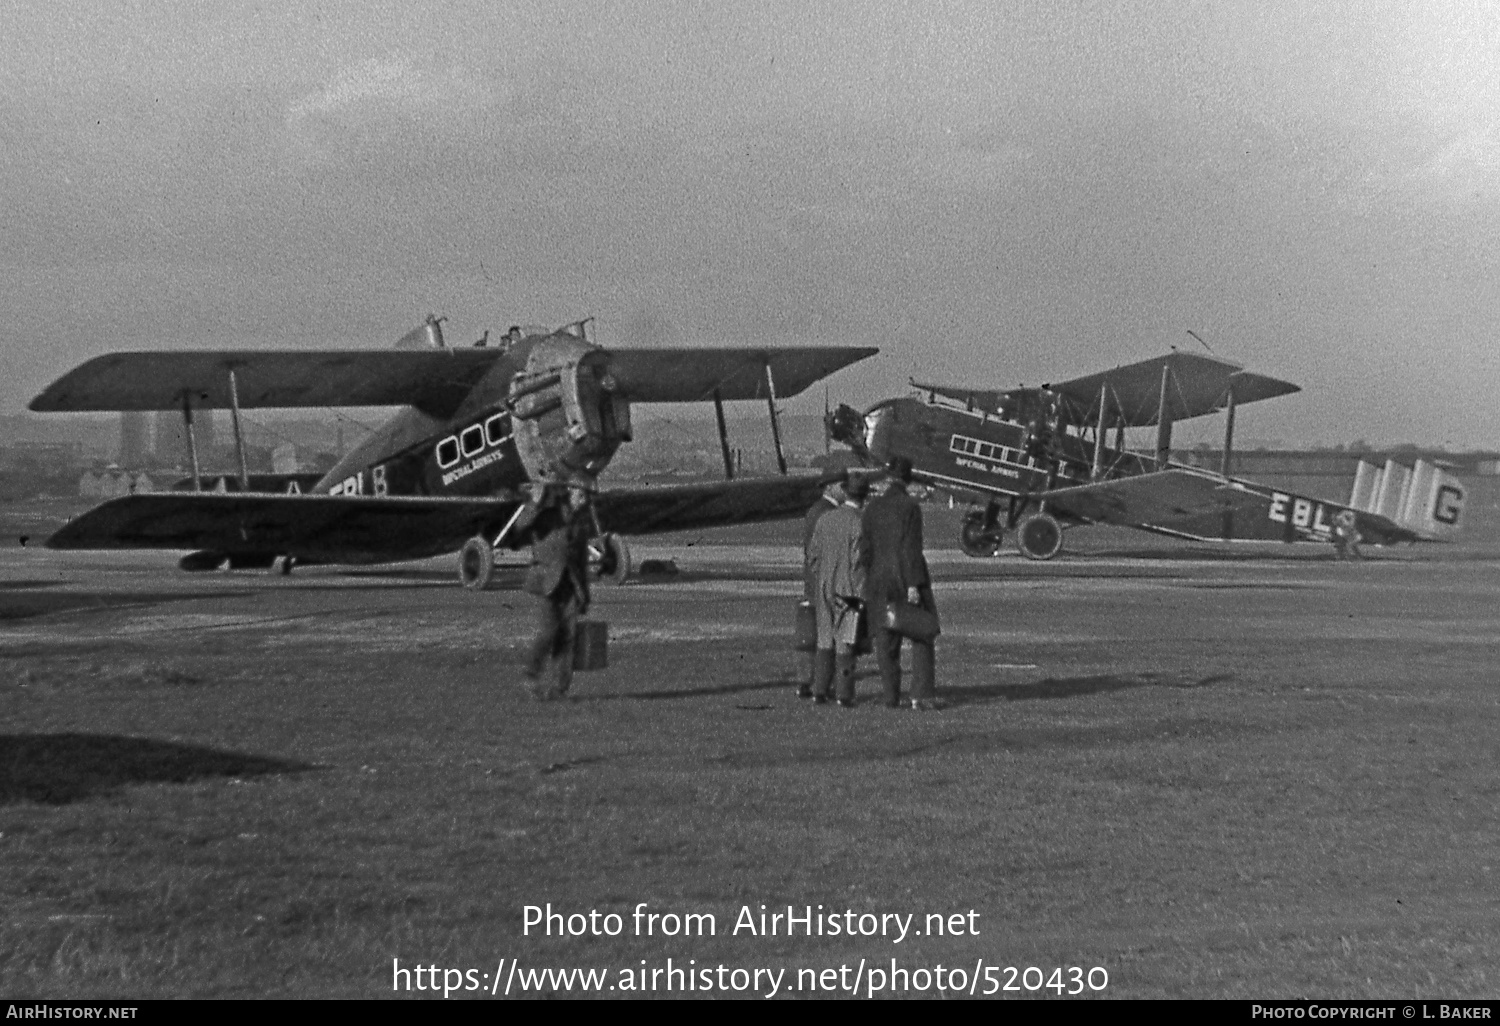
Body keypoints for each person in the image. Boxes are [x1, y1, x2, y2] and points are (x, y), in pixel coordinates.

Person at [860, 455, 938, 710]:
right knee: (922, 635)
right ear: (907, 479)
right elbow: (910, 549)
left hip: (878, 581)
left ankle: (890, 695)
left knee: (884, 642)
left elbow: (866, 551)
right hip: (905, 578)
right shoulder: (909, 507)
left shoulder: (871, 508)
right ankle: (920, 694)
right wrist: (914, 584)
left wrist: (868, 579)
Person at [519, 483, 593, 699]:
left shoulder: (581, 521)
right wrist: (534, 502)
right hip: (546, 580)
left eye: (587, 496)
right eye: (581, 494)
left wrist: (584, 594)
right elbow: (521, 526)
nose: (585, 500)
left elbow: (581, 559)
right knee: (548, 631)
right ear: (570, 492)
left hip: (570, 583)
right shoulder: (548, 511)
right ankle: (531, 674)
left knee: (568, 637)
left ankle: (560, 689)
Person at [807, 474, 869, 706]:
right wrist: (862, 593)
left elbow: (813, 555)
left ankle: (819, 690)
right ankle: (844, 694)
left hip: (823, 584)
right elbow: (858, 562)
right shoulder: (859, 522)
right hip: (849, 588)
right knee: (845, 642)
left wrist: (822, 576)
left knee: (824, 639)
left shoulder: (825, 519)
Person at [798, 480, 843, 699]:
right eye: (841, 485)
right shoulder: (827, 513)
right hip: (825, 583)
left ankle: (808, 681)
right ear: (831, 487)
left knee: (814, 636)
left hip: (815, 582)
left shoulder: (816, 510)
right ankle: (821, 684)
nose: (845, 490)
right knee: (827, 637)